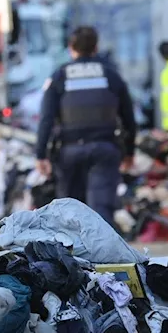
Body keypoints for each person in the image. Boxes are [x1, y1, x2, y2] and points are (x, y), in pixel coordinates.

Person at [35, 26, 136, 223]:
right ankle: (102, 252)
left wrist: (41, 155)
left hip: (69, 153)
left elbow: (46, 118)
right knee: (101, 212)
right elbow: (128, 119)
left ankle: (72, 252)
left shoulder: (60, 77)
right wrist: (129, 153)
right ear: (95, 47)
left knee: (70, 214)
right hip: (104, 149)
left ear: (71, 47)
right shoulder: (111, 76)